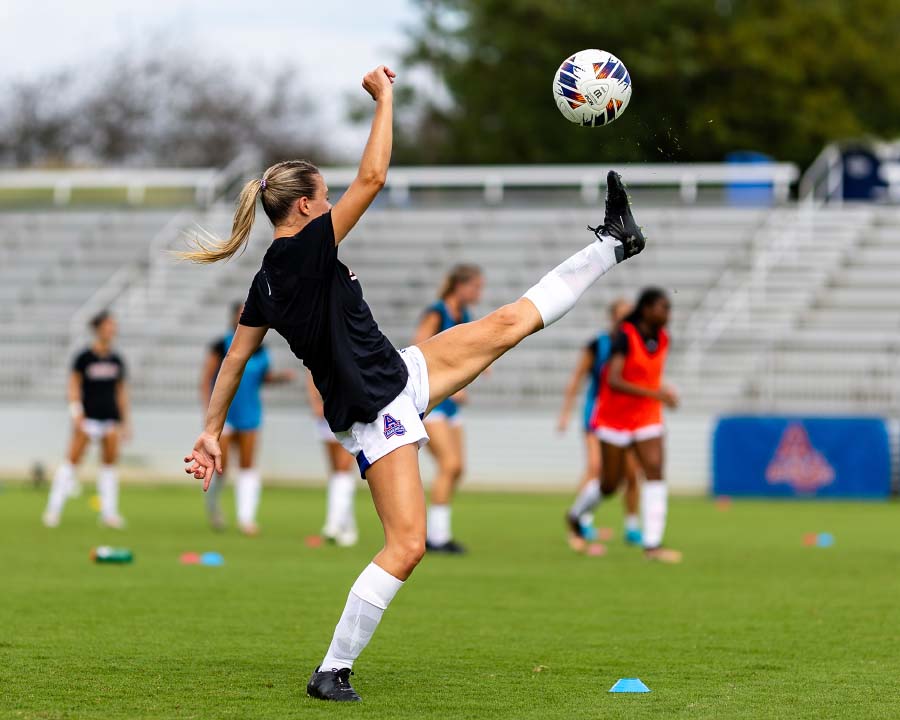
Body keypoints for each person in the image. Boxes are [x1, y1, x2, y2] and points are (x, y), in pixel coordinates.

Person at [181, 65, 646, 702]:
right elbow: (374, 177)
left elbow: (234, 361)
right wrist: (385, 97)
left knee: (509, 321)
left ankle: (614, 245)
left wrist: (210, 430)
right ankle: (332, 669)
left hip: (401, 373)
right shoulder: (304, 251)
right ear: (309, 207)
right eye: (325, 192)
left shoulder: (267, 276)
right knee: (407, 544)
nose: (332, 199)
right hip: (377, 409)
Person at [591, 287, 681, 563]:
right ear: (647, 309)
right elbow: (615, 380)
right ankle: (576, 515)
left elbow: (649, 376)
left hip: (647, 417)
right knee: (610, 484)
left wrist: (664, 391)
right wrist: (657, 394)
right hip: (615, 418)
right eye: (663, 308)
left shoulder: (664, 338)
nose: (668, 313)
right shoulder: (625, 338)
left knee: (654, 470)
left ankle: (652, 545)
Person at [199, 301, 296, 535]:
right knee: (221, 465)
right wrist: (209, 414)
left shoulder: (261, 348)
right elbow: (206, 380)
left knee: (248, 465)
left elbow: (262, 378)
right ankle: (214, 508)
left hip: (250, 413)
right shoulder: (220, 346)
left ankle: (246, 518)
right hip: (225, 415)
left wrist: (280, 378)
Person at [558, 299, 643, 550]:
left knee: (630, 474)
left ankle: (632, 527)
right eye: (622, 316)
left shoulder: (636, 344)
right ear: (612, 318)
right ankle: (580, 520)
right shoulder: (598, 345)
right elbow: (577, 379)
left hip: (627, 417)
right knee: (596, 467)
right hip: (598, 414)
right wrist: (565, 413)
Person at [412, 263, 484, 554]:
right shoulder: (436, 312)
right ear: (460, 286)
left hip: (451, 403)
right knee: (449, 465)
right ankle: (436, 537)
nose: (479, 292)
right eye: (476, 287)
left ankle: (438, 532)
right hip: (434, 401)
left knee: (458, 468)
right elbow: (419, 351)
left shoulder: (464, 315)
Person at [43, 311, 130, 528]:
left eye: (114, 326)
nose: (112, 330)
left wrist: (125, 421)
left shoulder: (116, 359)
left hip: (110, 418)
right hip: (88, 418)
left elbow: (121, 392)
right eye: (109, 325)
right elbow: (73, 386)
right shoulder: (84, 358)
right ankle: (53, 510)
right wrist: (76, 412)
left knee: (109, 466)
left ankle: (109, 513)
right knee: (71, 462)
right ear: (98, 328)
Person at [306, 371, 359, 546]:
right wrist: (315, 402)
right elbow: (311, 370)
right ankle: (348, 528)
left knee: (343, 468)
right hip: (327, 411)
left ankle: (333, 525)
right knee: (337, 471)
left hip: (349, 408)